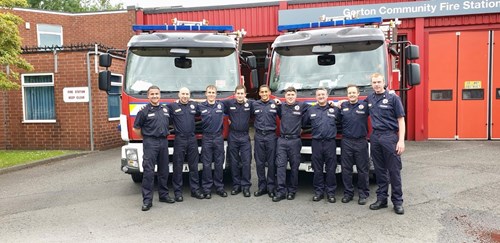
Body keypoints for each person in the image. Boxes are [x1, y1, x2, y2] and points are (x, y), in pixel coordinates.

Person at [365, 73, 406, 215]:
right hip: (375, 137)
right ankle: (382, 199)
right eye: (374, 82)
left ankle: (398, 202)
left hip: (389, 136)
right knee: (379, 170)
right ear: (371, 84)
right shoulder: (370, 98)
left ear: (384, 82)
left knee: (394, 170)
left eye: (379, 82)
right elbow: (356, 106)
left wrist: (401, 141)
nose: (376, 84)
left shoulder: (393, 98)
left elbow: (401, 120)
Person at [132, 85, 174, 211]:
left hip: (163, 142)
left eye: (157, 94)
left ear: (159, 95)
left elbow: (169, 123)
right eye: (152, 94)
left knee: (164, 170)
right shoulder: (143, 111)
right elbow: (136, 129)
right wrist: (146, 138)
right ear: (148, 96)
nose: (155, 96)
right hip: (150, 142)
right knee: (149, 172)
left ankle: (164, 195)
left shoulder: (165, 109)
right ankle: (147, 200)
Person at [273, 86, 310, 202]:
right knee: (280, 166)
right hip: (282, 140)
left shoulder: (302, 106)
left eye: (292, 95)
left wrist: (302, 126)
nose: (290, 97)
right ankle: (281, 191)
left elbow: (312, 112)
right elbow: (275, 111)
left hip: (295, 140)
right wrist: (275, 102)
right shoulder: (281, 106)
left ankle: (292, 191)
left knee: (294, 167)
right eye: (288, 95)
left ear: (295, 96)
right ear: (285, 96)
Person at [168, 87, 204, 202]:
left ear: (189, 95)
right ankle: (178, 193)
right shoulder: (172, 106)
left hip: (192, 138)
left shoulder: (194, 105)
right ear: (179, 95)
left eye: (187, 94)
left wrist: (196, 100)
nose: (185, 96)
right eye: (183, 94)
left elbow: (207, 105)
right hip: (180, 139)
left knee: (194, 166)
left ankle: (195, 190)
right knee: (177, 166)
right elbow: (160, 111)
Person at [303, 87, 339, 203]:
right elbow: (303, 123)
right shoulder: (311, 110)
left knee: (331, 169)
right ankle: (318, 192)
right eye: (319, 95)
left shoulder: (335, 110)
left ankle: (331, 193)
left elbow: (344, 121)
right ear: (316, 97)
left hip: (330, 143)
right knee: (317, 169)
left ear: (327, 96)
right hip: (316, 143)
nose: (321, 97)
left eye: (323, 94)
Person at [339, 85, 370, 205]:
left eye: (354, 93)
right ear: (347, 95)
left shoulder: (365, 106)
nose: (351, 95)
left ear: (358, 94)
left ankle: (363, 194)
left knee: (362, 170)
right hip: (346, 141)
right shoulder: (343, 106)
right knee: (346, 170)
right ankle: (348, 193)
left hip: (361, 141)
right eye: (349, 93)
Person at [222, 85, 252, 197]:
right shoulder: (229, 103)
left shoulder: (251, 104)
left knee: (246, 162)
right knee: (234, 162)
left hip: (244, 136)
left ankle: (246, 186)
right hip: (233, 135)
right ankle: (236, 186)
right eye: (238, 93)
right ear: (235, 94)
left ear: (245, 94)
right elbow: (214, 101)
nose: (240, 95)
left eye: (242, 93)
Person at [198, 85, 227, 199]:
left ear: (216, 94)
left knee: (219, 163)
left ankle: (219, 188)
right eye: (209, 92)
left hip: (218, 137)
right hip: (207, 138)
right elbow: (188, 105)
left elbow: (236, 102)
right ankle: (207, 189)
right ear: (206, 94)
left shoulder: (221, 105)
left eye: (213, 92)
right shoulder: (200, 106)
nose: (211, 94)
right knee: (206, 164)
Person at [252, 85, 279, 198]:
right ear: (259, 93)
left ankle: (271, 187)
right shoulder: (254, 104)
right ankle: (262, 187)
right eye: (262, 92)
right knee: (259, 163)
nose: (264, 94)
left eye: (266, 92)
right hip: (258, 136)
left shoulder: (276, 105)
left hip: (271, 136)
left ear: (269, 92)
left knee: (272, 162)